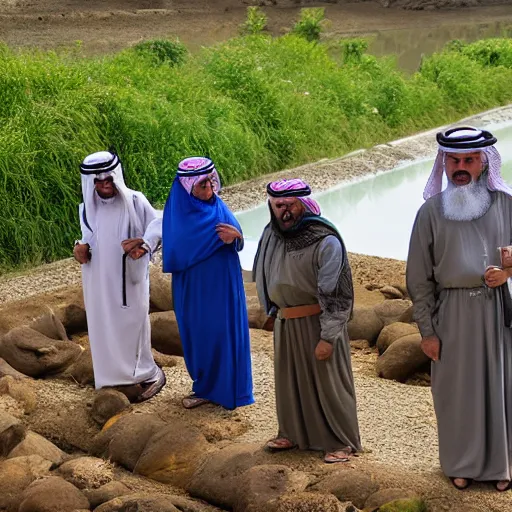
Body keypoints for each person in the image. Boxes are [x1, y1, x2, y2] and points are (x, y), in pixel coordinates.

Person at [406, 126, 512, 492]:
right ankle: (461, 464)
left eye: (469, 159)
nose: (461, 167)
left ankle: (502, 466)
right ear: (443, 163)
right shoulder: (430, 213)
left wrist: (508, 273)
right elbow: (418, 279)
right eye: (454, 160)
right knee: (456, 394)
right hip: (451, 315)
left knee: (502, 389)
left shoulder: (507, 204)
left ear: (485, 162)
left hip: (499, 313)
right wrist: (427, 331)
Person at [253, 178, 361, 463]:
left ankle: (340, 441)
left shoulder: (325, 239)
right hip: (286, 322)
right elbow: (262, 272)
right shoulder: (271, 234)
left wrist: (328, 336)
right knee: (289, 382)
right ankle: (292, 434)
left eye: (291, 204)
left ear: (304, 204)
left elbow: (336, 293)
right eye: (279, 205)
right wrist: (271, 310)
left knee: (329, 384)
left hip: (318, 322)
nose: (285, 211)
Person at [160, 156, 254, 410]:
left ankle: (228, 391)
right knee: (198, 334)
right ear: (188, 188)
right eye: (202, 185)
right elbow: (177, 251)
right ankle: (205, 387)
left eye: (211, 183)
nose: (210, 190)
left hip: (223, 286)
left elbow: (237, 238)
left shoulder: (218, 206)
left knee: (222, 332)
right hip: (192, 288)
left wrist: (236, 238)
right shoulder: (178, 215)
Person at [73, 151, 166, 402]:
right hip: (97, 283)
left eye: (109, 180)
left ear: (116, 177)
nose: (105, 185)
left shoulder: (135, 201)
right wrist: (78, 249)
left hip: (128, 282)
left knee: (133, 324)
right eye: (99, 181)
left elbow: (160, 224)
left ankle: (148, 373)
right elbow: (88, 240)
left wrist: (144, 244)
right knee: (103, 326)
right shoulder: (87, 209)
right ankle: (111, 377)